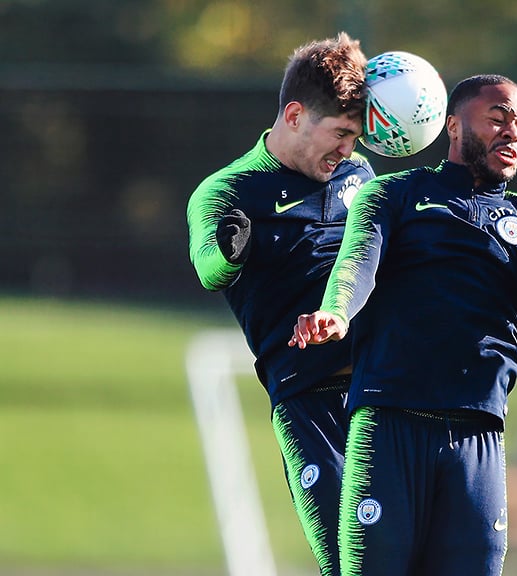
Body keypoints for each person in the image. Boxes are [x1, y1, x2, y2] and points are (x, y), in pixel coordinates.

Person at [289, 74, 517, 576]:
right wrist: (336, 311)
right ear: (452, 124)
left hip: (478, 437)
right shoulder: (394, 195)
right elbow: (358, 262)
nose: (513, 133)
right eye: (497, 118)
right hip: (388, 422)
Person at [186, 32, 373, 576]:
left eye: (356, 137)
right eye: (339, 133)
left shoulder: (360, 177)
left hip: (385, 390)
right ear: (294, 115)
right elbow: (207, 269)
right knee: (349, 563)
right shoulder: (226, 191)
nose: (348, 150)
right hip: (306, 403)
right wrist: (229, 249)